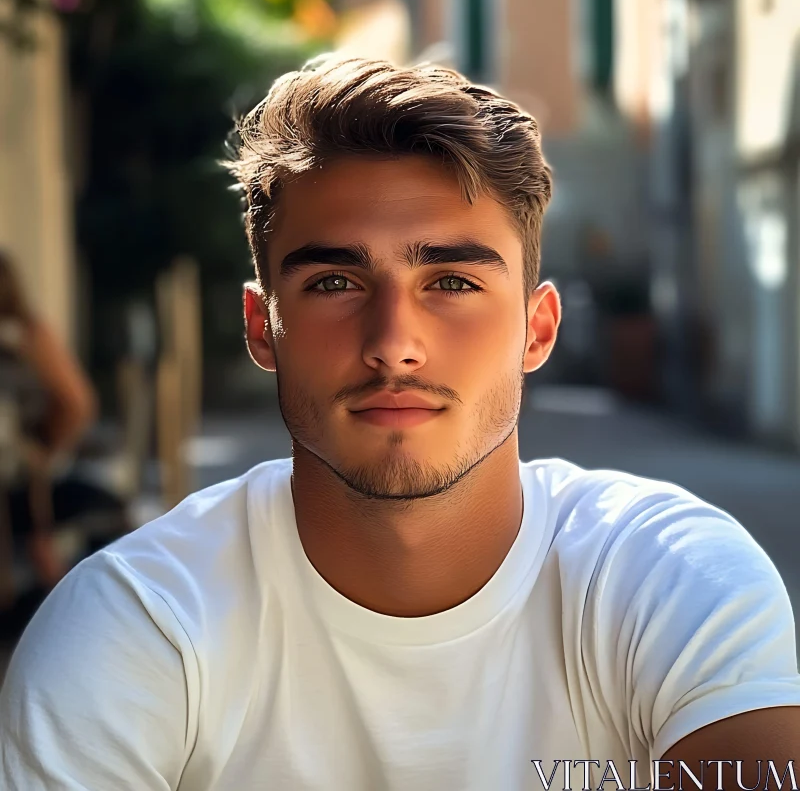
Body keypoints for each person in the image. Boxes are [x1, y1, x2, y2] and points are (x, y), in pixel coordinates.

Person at [1, 57, 799, 790]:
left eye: (450, 280)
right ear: (260, 328)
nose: (393, 346)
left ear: (537, 329)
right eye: (334, 282)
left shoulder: (667, 577)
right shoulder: (137, 625)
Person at [0, 250, 98, 602]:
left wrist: (45, 449)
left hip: (29, 462)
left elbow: (77, 404)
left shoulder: (26, 336)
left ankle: (58, 591)